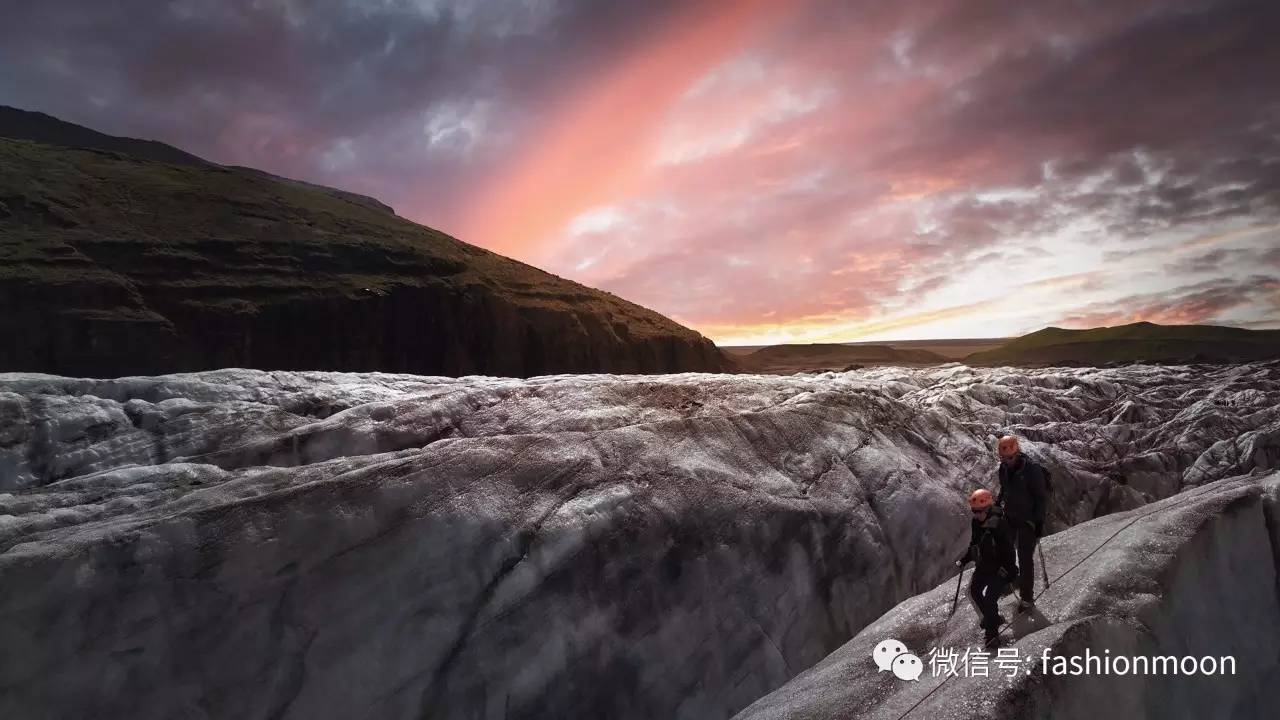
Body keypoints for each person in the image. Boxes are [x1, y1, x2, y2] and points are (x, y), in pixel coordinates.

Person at [995, 435, 1049, 613]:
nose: (1006, 461)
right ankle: (1010, 582)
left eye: (1009, 458)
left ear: (1017, 453)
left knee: (1025, 559)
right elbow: (1005, 489)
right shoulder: (1003, 469)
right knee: (1004, 552)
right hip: (1011, 517)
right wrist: (997, 504)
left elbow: (1041, 498)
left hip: (1028, 521)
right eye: (1003, 458)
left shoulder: (1032, 470)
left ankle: (1026, 598)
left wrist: (1039, 521)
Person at [958, 488, 1018, 647]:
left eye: (978, 511)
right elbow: (975, 544)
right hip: (985, 566)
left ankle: (992, 634)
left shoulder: (1000, 524)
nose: (976, 515)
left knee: (991, 598)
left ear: (987, 509)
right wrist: (966, 559)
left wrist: (1007, 570)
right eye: (973, 511)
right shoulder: (976, 523)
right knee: (974, 591)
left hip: (1001, 569)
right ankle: (994, 619)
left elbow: (1009, 550)